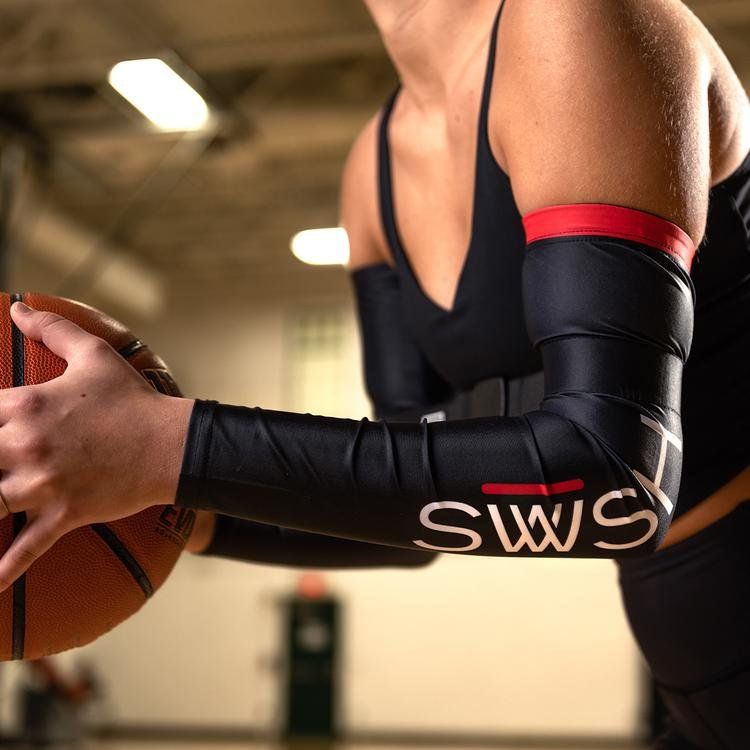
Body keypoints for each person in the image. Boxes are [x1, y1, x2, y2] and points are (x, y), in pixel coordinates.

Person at [0, 0, 748, 745]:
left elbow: (619, 478)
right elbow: (405, 528)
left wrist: (169, 446)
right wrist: (167, 505)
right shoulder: (376, 162)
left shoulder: (574, 20)